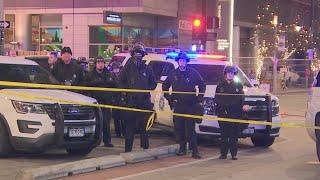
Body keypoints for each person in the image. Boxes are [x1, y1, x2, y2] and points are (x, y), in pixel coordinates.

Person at [162, 52, 206, 159]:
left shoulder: (193, 73)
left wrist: (199, 99)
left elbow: (202, 85)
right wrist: (169, 98)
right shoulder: (173, 73)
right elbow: (165, 86)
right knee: (179, 129)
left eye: (184, 60)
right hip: (178, 105)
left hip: (190, 105)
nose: (182, 62)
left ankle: (194, 151)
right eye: (180, 60)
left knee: (191, 130)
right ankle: (182, 149)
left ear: (186, 61)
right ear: (178, 62)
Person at [119, 43, 157, 152]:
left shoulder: (147, 68)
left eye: (140, 55)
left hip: (144, 102)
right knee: (129, 128)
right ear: (132, 55)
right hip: (131, 102)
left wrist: (146, 89)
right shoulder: (127, 68)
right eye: (135, 55)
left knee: (144, 127)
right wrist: (126, 92)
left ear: (143, 55)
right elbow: (120, 82)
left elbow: (153, 83)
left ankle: (145, 149)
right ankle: (128, 150)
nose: (138, 57)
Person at [215, 65, 250, 160]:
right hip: (223, 114)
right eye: (228, 73)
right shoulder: (220, 86)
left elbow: (241, 99)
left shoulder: (238, 86)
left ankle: (234, 154)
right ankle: (223, 154)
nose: (230, 75)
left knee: (233, 135)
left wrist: (242, 106)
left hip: (235, 114)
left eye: (232, 73)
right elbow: (217, 99)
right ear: (225, 74)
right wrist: (224, 108)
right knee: (223, 136)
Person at [84, 56, 116, 147]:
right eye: (98, 63)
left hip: (106, 103)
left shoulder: (109, 75)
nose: (100, 64)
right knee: (96, 122)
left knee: (106, 122)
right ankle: (95, 140)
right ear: (95, 64)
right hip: (95, 103)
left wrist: (111, 98)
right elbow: (85, 89)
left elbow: (115, 86)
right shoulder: (90, 76)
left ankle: (107, 141)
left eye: (102, 63)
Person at [110, 61, 125, 137]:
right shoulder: (110, 77)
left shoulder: (123, 77)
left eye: (117, 68)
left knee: (123, 117)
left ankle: (124, 132)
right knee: (116, 117)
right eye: (114, 69)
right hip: (114, 99)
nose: (116, 70)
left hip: (122, 99)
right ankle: (118, 133)